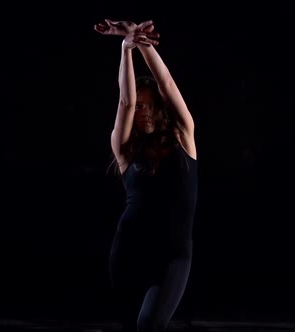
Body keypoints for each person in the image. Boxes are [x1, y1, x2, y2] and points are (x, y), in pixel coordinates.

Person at [94, 19, 198, 332]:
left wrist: (142, 43)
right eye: (140, 107)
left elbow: (166, 84)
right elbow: (124, 102)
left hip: (173, 258)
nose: (144, 111)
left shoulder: (184, 136)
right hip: (129, 252)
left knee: (149, 325)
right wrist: (126, 50)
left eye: (150, 105)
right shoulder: (124, 150)